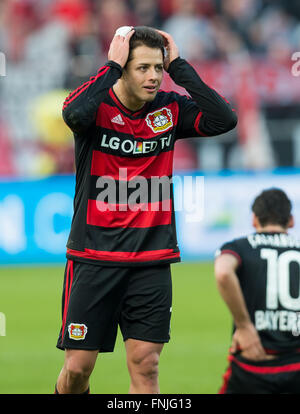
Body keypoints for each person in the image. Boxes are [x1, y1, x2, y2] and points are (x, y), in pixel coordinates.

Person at [55, 25, 237, 394]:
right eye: (142, 68)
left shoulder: (169, 110)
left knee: (147, 364)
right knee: (77, 369)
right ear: (122, 67)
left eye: (158, 67)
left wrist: (181, 66)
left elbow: (224, 119)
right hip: (94, 256)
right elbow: (73, 115)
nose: (153, 77)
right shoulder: (97, 106)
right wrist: (109, 68)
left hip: (151, 259)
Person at [215, 188, 300, 394]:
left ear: (254, 219)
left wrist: (244, 326)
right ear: (290, 220)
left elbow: (223, 272)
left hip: (251, 364)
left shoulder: (240, 247)